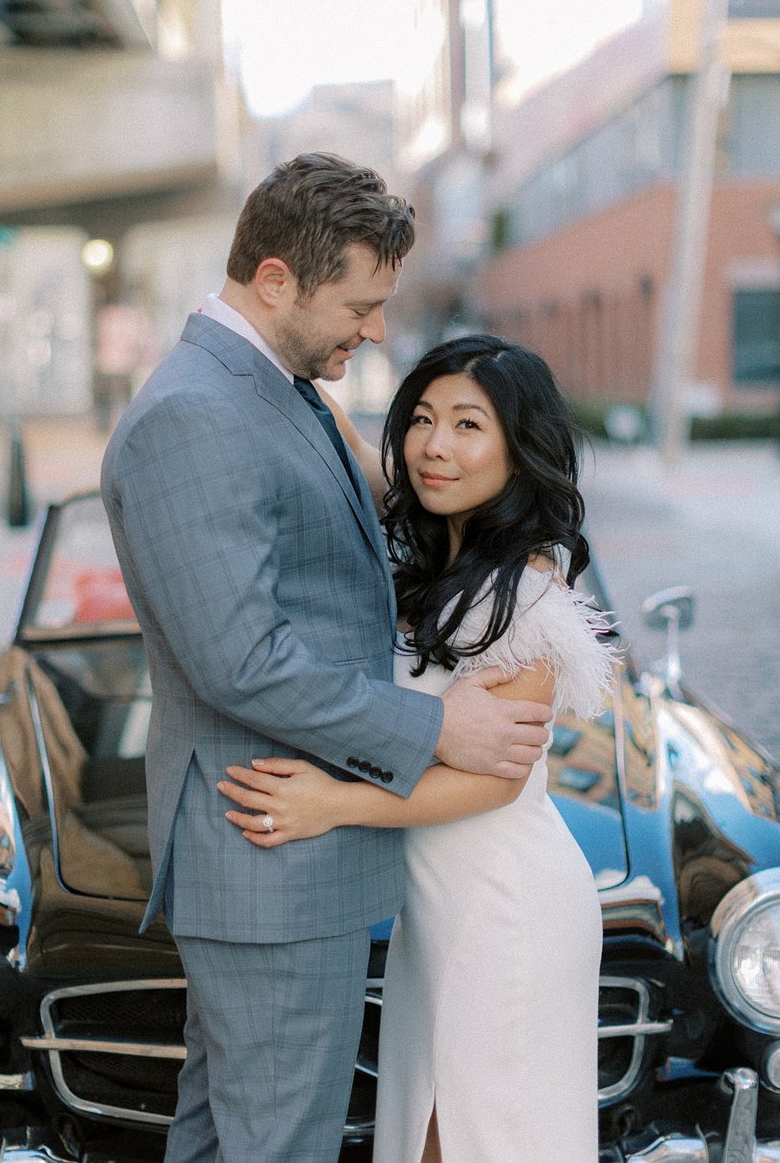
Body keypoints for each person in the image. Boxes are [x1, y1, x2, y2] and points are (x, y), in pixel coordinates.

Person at [99, 156, 553, 1163]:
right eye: (360, 304)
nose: (376, 329)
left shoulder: (277, 391)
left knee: (231, 1139)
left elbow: (332, 578)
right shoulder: (197, 414)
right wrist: (444, 724)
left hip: (282, 854)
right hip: (269, 852)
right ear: (275, 280)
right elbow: (242, 661)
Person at [220, 334, 615, 1163]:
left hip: (505, 907)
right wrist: (266, 339)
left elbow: (494, 783)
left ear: (520, 447)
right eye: (424, 419)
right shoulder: (447, 545)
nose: (436, 444)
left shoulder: (526, 593)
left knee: (472, 1137)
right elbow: (352, 443)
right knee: (426, 1132)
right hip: (437, 910)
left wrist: (330, 804)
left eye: (469, 425)